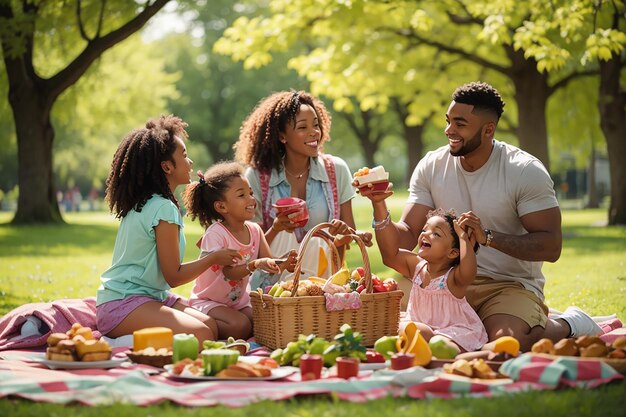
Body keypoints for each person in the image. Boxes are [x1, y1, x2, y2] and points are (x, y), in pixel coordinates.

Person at [360, 81, 601, 352]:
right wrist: (379, 205)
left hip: (506, 285)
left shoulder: (524, 170)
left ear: (489, 129)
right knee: (375, 317)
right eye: (448, 121)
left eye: (460, 124)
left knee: (507, 343)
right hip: (442, 280)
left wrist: (487, 238)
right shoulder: (432, 165)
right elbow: (404, 237)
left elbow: (551, 246)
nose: (449, 130)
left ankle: (570, 323)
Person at [96, 115, 243, 344]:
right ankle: (112, 343)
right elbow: (173, 276)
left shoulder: (151, 202)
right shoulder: (162, 208)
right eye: (184, 155)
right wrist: (213, 257)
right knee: (201, 334)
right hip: (122, 304)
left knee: (210, 325)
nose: (190, 161)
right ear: (166, 166)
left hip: (151, 297)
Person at [234, 90, 372, 289]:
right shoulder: (257, 177)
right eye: (302, 127)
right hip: (272, 287)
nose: (314, 132)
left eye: (316, 125)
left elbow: (346, 236)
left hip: (324, 284)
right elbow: (248, 247)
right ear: (282, 136)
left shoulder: (336, 170)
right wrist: (277, 227)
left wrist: (349, 233)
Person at [182, 161, 297, 340]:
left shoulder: (254, 230)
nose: (251, 199)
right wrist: (254, 265)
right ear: (222, 207)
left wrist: (284, 263)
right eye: (242, 195)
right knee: (240, 326)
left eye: (250, 193)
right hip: (209, 302)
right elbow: (229, 273)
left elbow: (269, 263)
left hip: (237, 303)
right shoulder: (216, 234)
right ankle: (201, 322)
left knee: (265, 320)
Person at [376, 208, 487, 352]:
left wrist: (464, 238)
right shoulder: (416, 266)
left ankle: (483, 353)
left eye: (436, 233)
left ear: (453, 252)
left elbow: (469, 271)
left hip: (451, 333)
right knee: (404, 327)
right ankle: (426, 351)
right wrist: (378, 204)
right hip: (420, 328)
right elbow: (390, 254)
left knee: (437, 342)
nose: (425, 234)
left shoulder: (453, 278)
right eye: (424, 229)